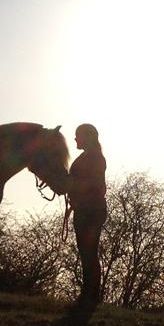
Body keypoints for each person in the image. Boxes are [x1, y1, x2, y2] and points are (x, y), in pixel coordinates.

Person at [65, 123, 107, 305]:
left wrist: (72, 186)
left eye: (78, 135)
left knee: (89, 252)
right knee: (86, 252)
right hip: (87, 209)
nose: (75, 139)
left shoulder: (95, 158)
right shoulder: (89, 157)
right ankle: (89, 294)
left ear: (87, 137)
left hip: (90, 210)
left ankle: (90, 295)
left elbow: (95, 185)